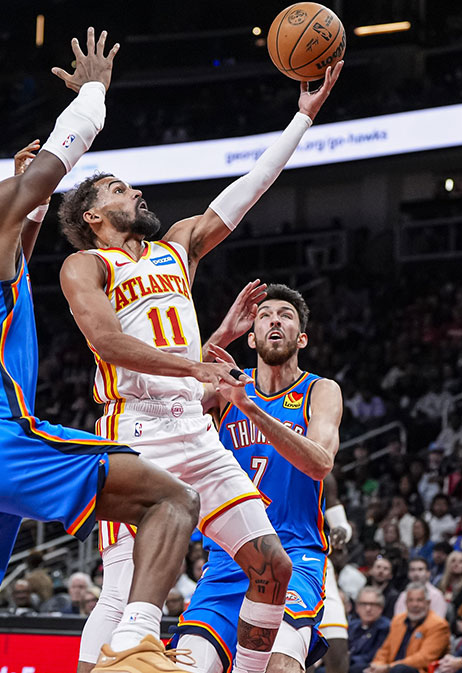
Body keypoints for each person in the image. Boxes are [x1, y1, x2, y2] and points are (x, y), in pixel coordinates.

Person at [0, 29, 201, 673]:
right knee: (172, 500)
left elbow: (10, 257)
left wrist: (25, 206)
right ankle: (136, 648)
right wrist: (93, 91)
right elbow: (65, 151)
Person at [63, 60, 343, 673]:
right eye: (118, 190)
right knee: (121, 589)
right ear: (93, 216)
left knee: (272, 566)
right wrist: (195, 368)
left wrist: (302, 117)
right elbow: (108, 342)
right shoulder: (86, 266)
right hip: (135, 431)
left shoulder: (178, 247)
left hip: (193, 427)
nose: (135, 193)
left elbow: (251, 186)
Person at [170, 283, 345, 673]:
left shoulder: (321, 390)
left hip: (295, 553)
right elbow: (170, 399)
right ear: (252, 337)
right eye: (265, 316)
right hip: (229, 558)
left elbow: (320, 463)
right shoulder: (227, 386)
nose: (274, 321)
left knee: (278, 664)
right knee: (190, 665)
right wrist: (221, 335)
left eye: (285, 316)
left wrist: (251, 409)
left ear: (301, 338)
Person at [367, 585, 449, 673]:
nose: (414, 605)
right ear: (406, 603)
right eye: (410, 600)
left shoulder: (438, 625)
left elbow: (424, 658)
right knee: (359, 667)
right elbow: (385, 650)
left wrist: (388, 667)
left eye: (419, 600)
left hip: (417, 670)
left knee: (400, 669)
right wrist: (377, 665)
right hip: (391, 669)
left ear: (428, 603)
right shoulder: (398, 620)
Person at [320, 473, 352, 673]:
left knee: (338, 653)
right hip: (275, 566)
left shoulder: (322, 475)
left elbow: (342, 524)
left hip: (319, 566)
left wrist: (341, 531)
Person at [347, 587, 390, 673]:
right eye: (363, 604)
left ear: (381, 608)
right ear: (357, 607)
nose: (368, 609)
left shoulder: (385, 627)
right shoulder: (352, 625)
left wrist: (347, 658)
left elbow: (374, 655)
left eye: (373, 604)